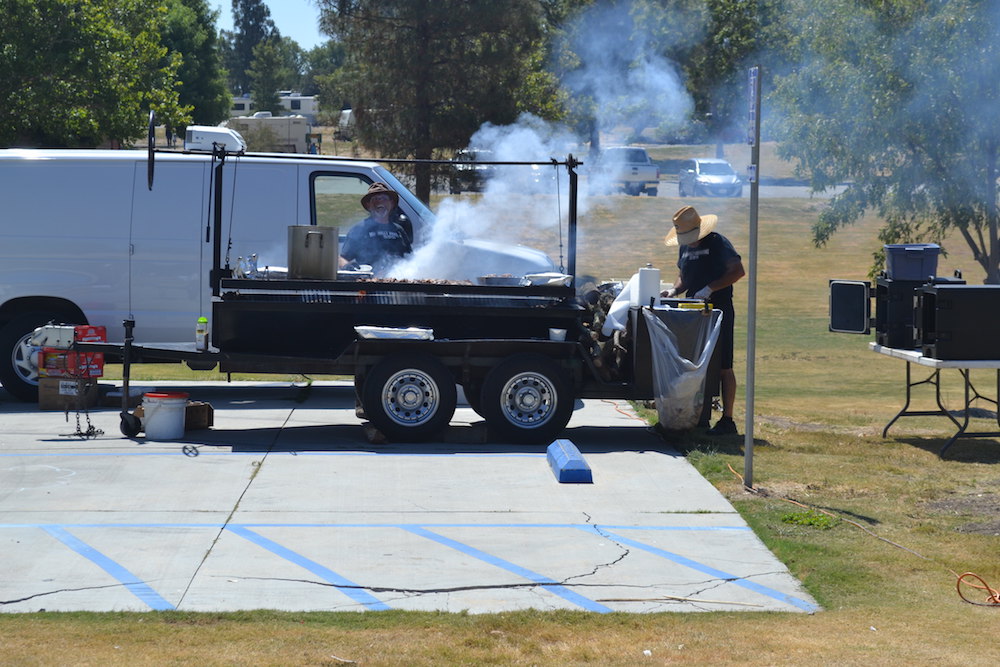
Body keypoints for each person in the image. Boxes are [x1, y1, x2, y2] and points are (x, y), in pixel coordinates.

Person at [662, 206, 746, 435]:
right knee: (693, 363)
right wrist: (674, 291)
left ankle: (727, 420)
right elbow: (684, 276)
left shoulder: (718, 243)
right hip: (693, 313)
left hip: (719, 310)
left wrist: (710, 288)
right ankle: (697, 414)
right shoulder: (685, 248)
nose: (688, 241)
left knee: (723, 365)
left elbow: (737, 271)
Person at [339, 182, 412, 275]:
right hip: (370, 284)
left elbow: (410, 259)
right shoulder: (359, 229)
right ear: (368, 205)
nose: (380, 202)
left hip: (397, 282)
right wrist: (347, 267)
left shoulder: (399, 231)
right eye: (375, 199)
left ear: (392, 203)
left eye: (384, 199)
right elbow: (342, 258)